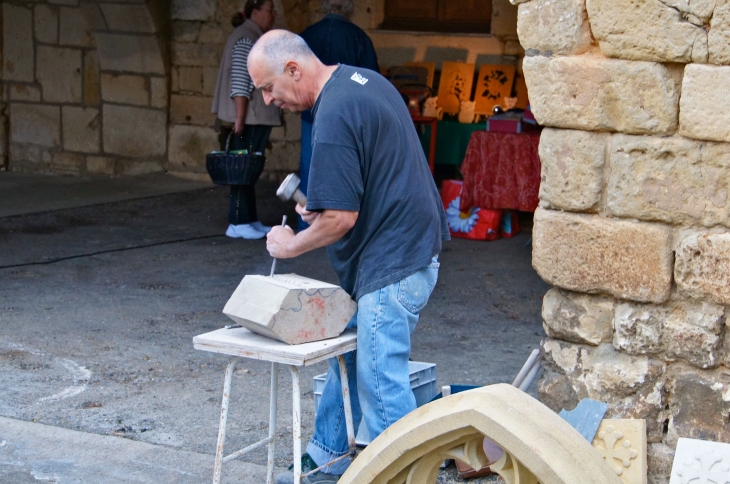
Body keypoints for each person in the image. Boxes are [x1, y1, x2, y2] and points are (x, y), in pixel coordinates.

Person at [247, 30, 449, 483]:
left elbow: (340, 219)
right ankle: (327, 460)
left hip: (394, 262)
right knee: (350, 357)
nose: (267, 99)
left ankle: (403, 476)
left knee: (380, 383)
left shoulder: (333, 115)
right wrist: (322, 206)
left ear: (294, 69)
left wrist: (290, 245)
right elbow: (364, 181)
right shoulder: (362, 81)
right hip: (408, 247)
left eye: (268, 87)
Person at [296, 0, 379, 231]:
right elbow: (371, 81)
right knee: (345, 172)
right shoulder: (358, 36)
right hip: (347, 119)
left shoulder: (306, 36)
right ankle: (341, 229)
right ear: (349, 8)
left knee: (310, 170)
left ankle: (308, 228)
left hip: (311, 114)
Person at [211, 0, 281, 239]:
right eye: (270, 10)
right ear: (256, 11)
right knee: (242, 170)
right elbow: (241, 81)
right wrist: (240, 117)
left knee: (248, 170)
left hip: (252, 117)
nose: (273, 15)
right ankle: (238, 222)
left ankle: (249, 219)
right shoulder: (246, 38)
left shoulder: (251, 36)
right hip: (249, 117)